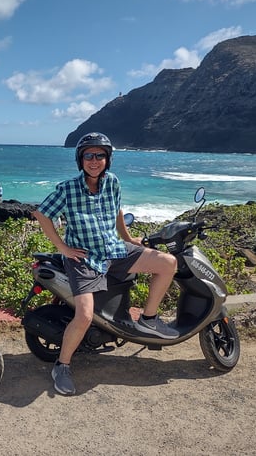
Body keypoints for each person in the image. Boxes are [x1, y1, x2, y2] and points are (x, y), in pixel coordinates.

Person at [32, 132, 178, 396]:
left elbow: (118, 211)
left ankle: (148, 319)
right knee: (85, 315)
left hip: (115, 250)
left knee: (167, 262)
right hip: (84, 258)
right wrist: (62, 248)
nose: (94, 160)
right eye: (89, 155)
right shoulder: (67, 189)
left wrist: (128, 238)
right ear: (81, 159)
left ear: (107, 159)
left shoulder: (112, 182)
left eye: (100, 155)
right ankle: (62, 365)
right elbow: (41, 214)